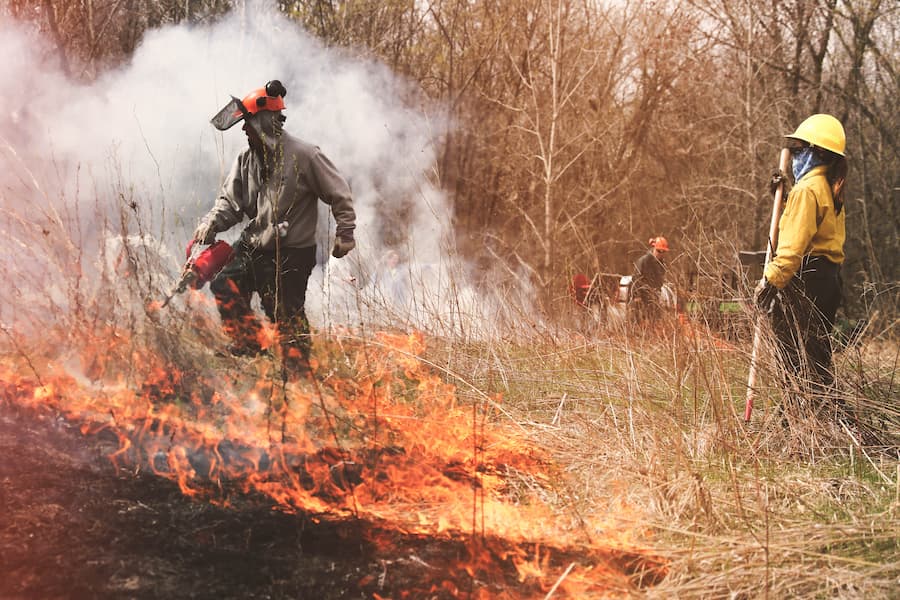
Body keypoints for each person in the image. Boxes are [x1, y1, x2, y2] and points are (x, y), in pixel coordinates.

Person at [193, 80, 357, 378]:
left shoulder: (305, 156)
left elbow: (339, 192)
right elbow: (231, 202)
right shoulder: (246, 159)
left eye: (248, 124)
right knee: (224, 286)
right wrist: (211, 223)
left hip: (292, 252)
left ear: (265, 121)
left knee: (285, 314)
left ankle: (297, 373)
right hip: (254, 243)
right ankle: (248, 343)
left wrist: (346, 232)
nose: (244, 130)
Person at [755, 113, 848, 393]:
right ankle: (821, 423)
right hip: (827, 282)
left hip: (805, 282)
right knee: (816, 362)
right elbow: (810, 229)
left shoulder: (807, 190)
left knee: (793, 362)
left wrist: (769, 282)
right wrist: (783, 198)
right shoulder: (829, 188)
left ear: (816, 152)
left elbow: (792, 248)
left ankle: (800, 423)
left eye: (799, 149)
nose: (795, 156)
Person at [630, 236, 669, 326]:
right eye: (659, 251)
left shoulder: (662, 265)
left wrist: (657, 294)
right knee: (638, 325)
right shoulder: (644, 261)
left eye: (663, 252)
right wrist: (637, 296)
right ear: (654, 248)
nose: (660, 253)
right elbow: (636, 279)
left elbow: (660, 282)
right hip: (640, 299)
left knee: (654, 323)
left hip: (653, 298)